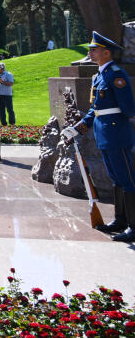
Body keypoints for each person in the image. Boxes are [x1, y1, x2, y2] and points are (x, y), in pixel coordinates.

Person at [66, 31, 135, 242]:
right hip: (104, 132)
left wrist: (118, 125)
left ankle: (134, 226)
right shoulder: (99, 76)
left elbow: (128, 108)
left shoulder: (116, 74)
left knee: (127, 180)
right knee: (116, 179)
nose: (90, 52)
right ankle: (120, 220)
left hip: (116, 133)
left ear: (106, 53)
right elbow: (95, 109)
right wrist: (78, 127)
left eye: (94, 50)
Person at [0, 63, 16, 127]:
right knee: (0, 110)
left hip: (7, 95)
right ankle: (3, 124)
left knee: (9, 109)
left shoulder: (8, 74)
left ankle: (12, 123)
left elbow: (11, 83)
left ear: (2, 67)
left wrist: (3, 82)